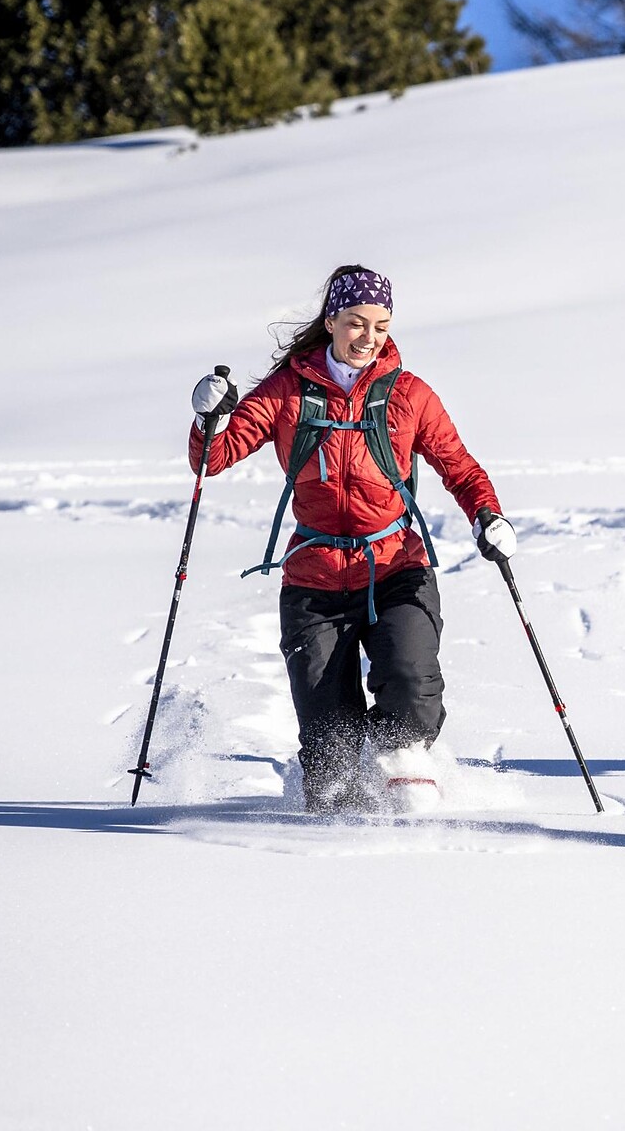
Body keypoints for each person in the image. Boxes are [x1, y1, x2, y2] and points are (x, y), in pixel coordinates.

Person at [187, 265, 517, 813]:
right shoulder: (288, 391)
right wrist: (210, 419)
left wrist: (488, 515)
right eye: (357, 323)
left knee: (410, 682)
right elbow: (211, 460)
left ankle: (404, 765)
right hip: (314, 580)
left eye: (381, 326)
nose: (369, 337)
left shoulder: (409, 395)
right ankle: (337, 815)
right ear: (332, 320)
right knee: (329, 753)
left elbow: (458, 465)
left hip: (395, 568)